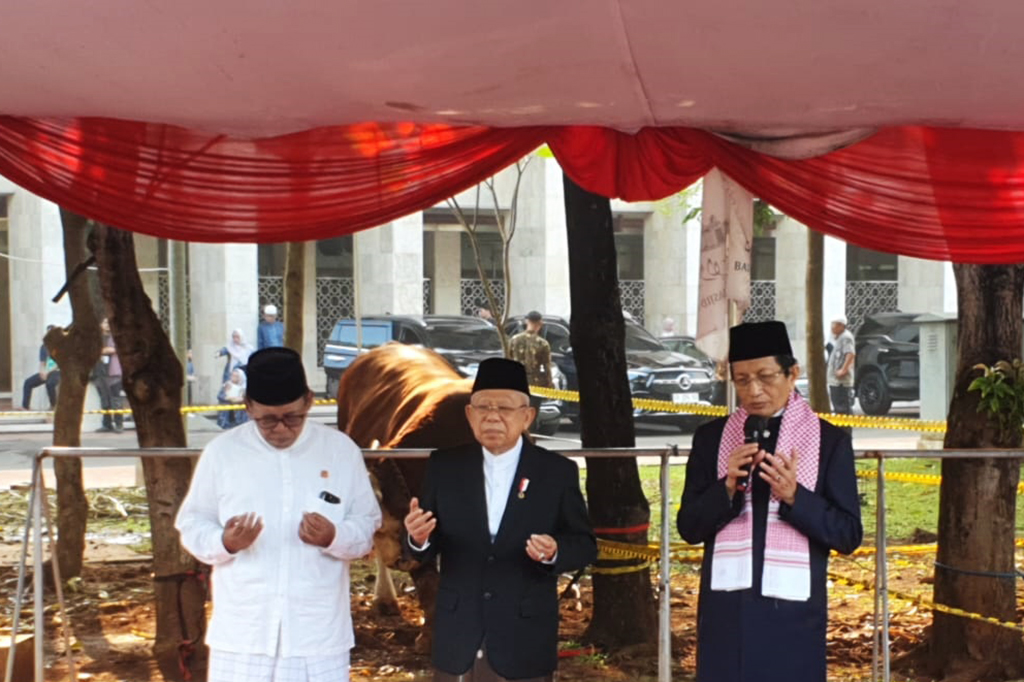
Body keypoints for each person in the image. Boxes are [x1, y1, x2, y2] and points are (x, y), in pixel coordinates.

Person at [176, 347, 381, 682]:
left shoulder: (340, 451)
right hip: (243, 636)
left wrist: (334, 537)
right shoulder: (222, 453)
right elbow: (192, 525)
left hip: (317, 636)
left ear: (309, 401)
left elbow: (367, 526)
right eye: (267, 420)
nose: (281, 429)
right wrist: (225, 542)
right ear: (248, 407)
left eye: (292, 417)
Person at [676, 320, 863, 682]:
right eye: (742, 380)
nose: (754, 390)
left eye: (765, 377)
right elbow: (689, 528)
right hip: (726, 614)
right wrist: (726, 488)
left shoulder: (829, 441)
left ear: (793, 374)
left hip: (793, 615)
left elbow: (847, 534)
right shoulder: (712, 439)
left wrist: (796, 497)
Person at [404, 357, 596, 682]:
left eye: (504, 408)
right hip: (458, 631)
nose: (492, 416)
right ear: (469, 415)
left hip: (523, 631)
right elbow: (425, 543)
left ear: (527, 416)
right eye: (483, 407)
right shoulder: (444, 466)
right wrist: (418, 538)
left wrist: (554, 551)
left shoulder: (555, 472)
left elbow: (584, 545)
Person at [508, 311, 553, 427]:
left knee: (517, 413)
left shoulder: (514, 340)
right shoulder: (542, 343)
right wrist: (549, 386)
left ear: (527, 321)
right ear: (540, 323)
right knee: (532, 416)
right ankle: (530, 435)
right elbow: (547, 367)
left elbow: (507, 362)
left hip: (516, 383)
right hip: (535, 384)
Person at [93, 318, 124, 433]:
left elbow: (117, 349)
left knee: (116, 399)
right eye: (105, 322)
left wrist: (103, 350)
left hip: (114, 372)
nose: (107, 325)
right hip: (100, 372)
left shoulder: (117, 336)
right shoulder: (97, 337)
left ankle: (119, 424)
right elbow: (92, 350)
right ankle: (107, 424)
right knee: (104, 399)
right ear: (101, 324)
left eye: (109, 322)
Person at [21, 326, 59, 410]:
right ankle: (25, 407)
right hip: (46, 371)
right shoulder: (44, 347)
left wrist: (47, 372)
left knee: (50, 383)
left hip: (57, 371)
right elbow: (42, 362)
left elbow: (58, 363)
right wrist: (41, 371)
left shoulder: (60, 347)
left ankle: (53, 406)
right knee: (28, 383)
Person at [827, 315, 856, 414]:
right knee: (838, 407)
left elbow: (850, 354)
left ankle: (846, 425)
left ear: (841, 325)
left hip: (841, 382)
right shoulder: (838, 338)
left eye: (834, 325)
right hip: (836, 381)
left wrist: (844, 370)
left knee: (843, 408)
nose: (832, 327)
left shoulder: (846, 337)